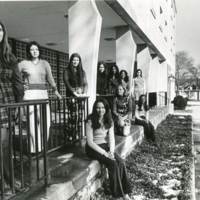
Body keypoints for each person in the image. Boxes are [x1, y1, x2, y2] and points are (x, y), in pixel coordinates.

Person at [18, 41, 62, 153]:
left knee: (46, 122)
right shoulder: (23, 63)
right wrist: (21, 85)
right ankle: (34, 149)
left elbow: (50, 78)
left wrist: (56, 91)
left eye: (36, 49)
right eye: (32, 49)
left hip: (43, 94)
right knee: (32, 123)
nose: (34, 51)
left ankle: (42, 147)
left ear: (39, 50)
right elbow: (15, 75)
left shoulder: (45, 63)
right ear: (29, 51)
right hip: (29, 94)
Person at [85, 98, 132, 200]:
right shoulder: (90, 120)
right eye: (98, 107)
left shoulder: (109, 120)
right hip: (92, 148)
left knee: (121, 162)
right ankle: (117, 195)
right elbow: (90, 142)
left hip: (104, 145)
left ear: (106, 109)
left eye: (102, 107)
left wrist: (111, 151)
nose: (100, 110)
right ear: (94, 108)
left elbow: (111, 138)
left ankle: (125, 193)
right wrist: (105, 153)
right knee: (113, 164)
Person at [0, 21, 24, 194]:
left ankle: (7, 179)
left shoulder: (10, 57)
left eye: (0, 30)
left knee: (5, 144)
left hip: (6, 102)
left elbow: (18, 84)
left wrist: (19, 106)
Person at [63, 53, 88, 140]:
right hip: (71, 95)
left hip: (80, 96)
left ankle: (76, 133)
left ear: (79, 61)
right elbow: (67, 83)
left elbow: (85, 84)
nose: (75, 62)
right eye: (74, 60)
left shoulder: (82, 71)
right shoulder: (67, 70)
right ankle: (68, 133)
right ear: (71, 61)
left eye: (77, 60)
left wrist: (84, 93)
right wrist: (74, 92)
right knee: (73, 115)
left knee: (80, 116)